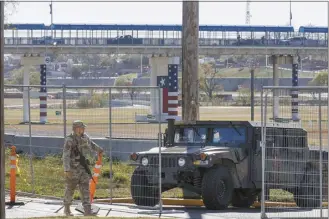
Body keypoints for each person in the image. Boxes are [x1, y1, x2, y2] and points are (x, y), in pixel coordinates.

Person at [62, 120, 104, 216]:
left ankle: (87, 210)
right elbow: (66, 155)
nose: (84, 129)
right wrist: (67, 169)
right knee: (70, 188)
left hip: (84, 168)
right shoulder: (70, 139)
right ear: (77, 128)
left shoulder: (85, 137)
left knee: (85, 189)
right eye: (82, 127)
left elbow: (91, 144)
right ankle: (67, 209)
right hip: (73, 169)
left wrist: (99, 149)